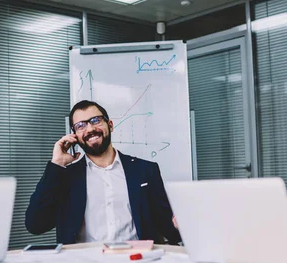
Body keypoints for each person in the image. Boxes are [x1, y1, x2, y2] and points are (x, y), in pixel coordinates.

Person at [25, 100, 180, 244]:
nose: (90, 129)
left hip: (136, 262)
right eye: (80, 126)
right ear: (74, 136)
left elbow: (168, 227)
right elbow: (36, 225)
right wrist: (56, 164)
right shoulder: (66, 177)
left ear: (110, 125)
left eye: (96, 120)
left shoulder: (145, 171)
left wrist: (180, 224)